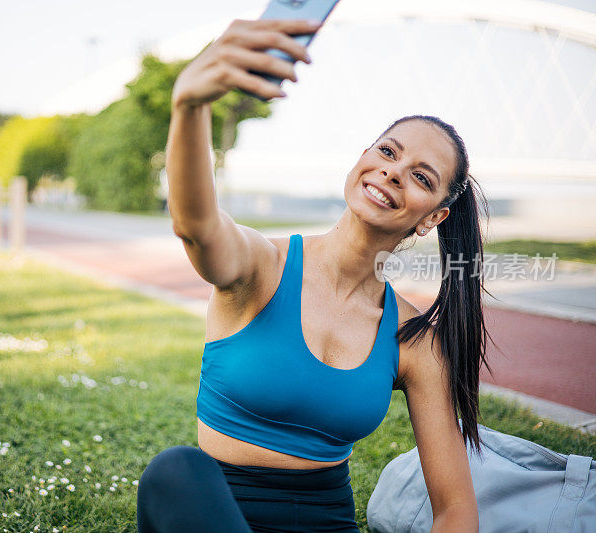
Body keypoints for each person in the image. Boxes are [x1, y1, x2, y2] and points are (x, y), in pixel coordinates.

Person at [137, 17, 489, 533]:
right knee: (174, 470)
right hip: (212, 512)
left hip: (325, 522)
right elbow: (196, 227)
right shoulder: (261, 267)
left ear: (433, 217)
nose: (393, 171)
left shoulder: (413, 341)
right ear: (361, 160)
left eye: (420, 176)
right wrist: (190, 106)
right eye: (387, 151)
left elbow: (457, 510)